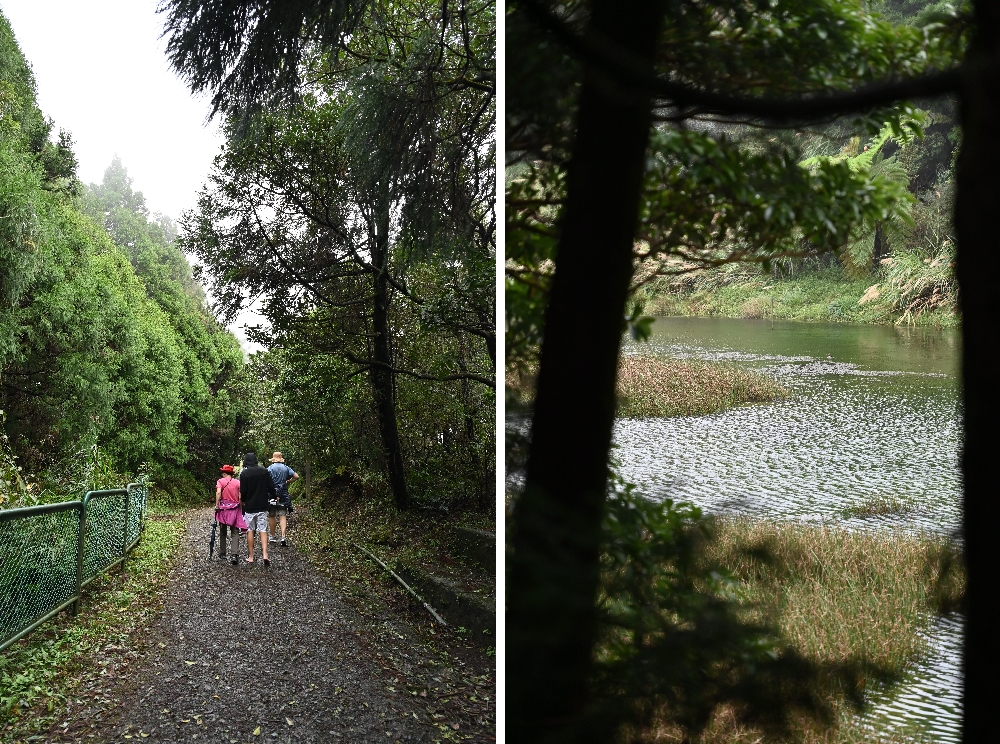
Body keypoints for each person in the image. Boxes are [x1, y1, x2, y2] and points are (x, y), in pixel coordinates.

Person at [238, 451, 276, 565]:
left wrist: (243, 501)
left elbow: (243, 491)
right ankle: (265, 554)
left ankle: (251, 556)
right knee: (263, 530)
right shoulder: (264, 471)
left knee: (250, 530)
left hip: (250, 506)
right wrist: (274, 496)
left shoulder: (244, 474)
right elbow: (271, 486)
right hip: (262, 505)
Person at [215, 464, 247, 565]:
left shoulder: (220, 481)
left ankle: (223, 553)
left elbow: (218, 493)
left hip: (223, 509)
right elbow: (240, 496)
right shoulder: (238, 482)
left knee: (223, 532)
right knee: (235, 532)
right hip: (234, 509)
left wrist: (217, 505)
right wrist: (240, 508)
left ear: (224, 473)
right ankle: (234, 555)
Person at [267, 451, 299, 547]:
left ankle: (273, 537)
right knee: (282, 515)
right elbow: (296, 476)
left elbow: (264, 479)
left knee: (272, 515)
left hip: (272, 494)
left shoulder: (270, 468)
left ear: (273, 459)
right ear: (281, 459)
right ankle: (283, 537)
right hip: (283, 493)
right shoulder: (286, 468)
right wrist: (287, 481)